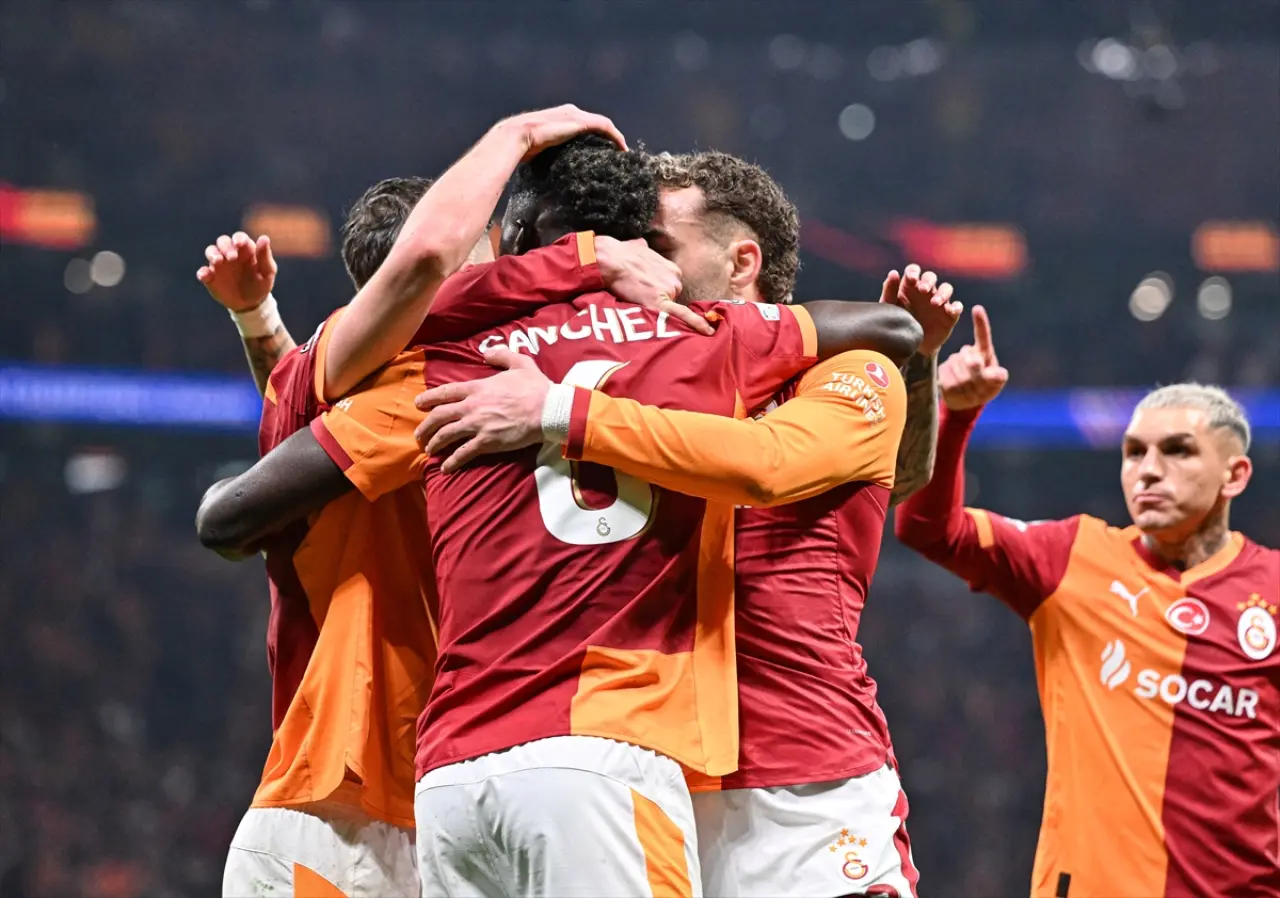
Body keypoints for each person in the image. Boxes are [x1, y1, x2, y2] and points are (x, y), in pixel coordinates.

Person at [201, 133, 921, 897]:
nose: (648, 266)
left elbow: (283, 437)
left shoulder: (450, 368)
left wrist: (260, 321)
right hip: (592, 760)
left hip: (464, 777)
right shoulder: (696, 344)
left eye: (659, 247)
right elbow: (890, 330)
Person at [196, 107, 681, 898]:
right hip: (342, 804)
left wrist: (258, 321)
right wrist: (580, 250)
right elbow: (229, 513)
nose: (500, 287)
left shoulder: (419, 387)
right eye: (482, 267)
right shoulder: (425, 387)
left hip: (436, 794)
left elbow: (304, 407)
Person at [894, 307, 1279, 898]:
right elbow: (927, 529)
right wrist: (957, 416)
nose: (1148, 471)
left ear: (1236, 475)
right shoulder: (1073, 555)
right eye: (1134, 452)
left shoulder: (1271, 589)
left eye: (1178, 451)